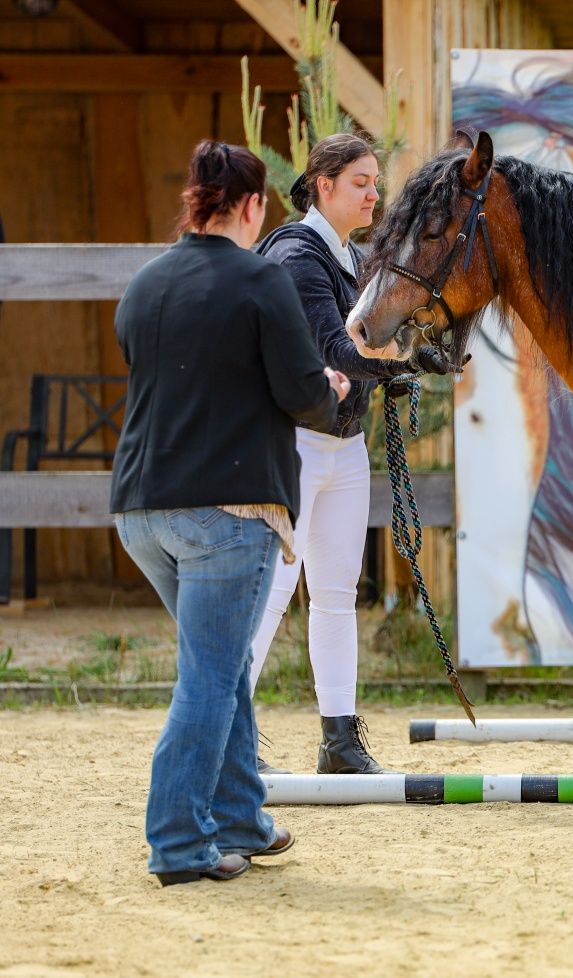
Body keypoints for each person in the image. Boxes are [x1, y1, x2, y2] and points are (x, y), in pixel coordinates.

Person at [111, 140, 351, 886]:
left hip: (142, 508)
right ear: (252, 207)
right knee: (212, 678)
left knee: (215, 663)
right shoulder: (259, 281)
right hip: (229, 508)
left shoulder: (145, 283)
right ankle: (179, 843)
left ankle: (242, 817)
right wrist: (335, 388)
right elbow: (303, 392)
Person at [248, 133, 453, 775]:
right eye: (360, 181)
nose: (373, 193)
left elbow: (363, 342)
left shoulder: (348, 256)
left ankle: (339, 739)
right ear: (323, 184)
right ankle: (231, 734)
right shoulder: (297, 253)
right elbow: (334, 347)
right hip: (294, 446)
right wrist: (402, 363)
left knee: (336, 594)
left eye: (374, 181)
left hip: (341, 445)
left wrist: (402, 361)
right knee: (272, 591)